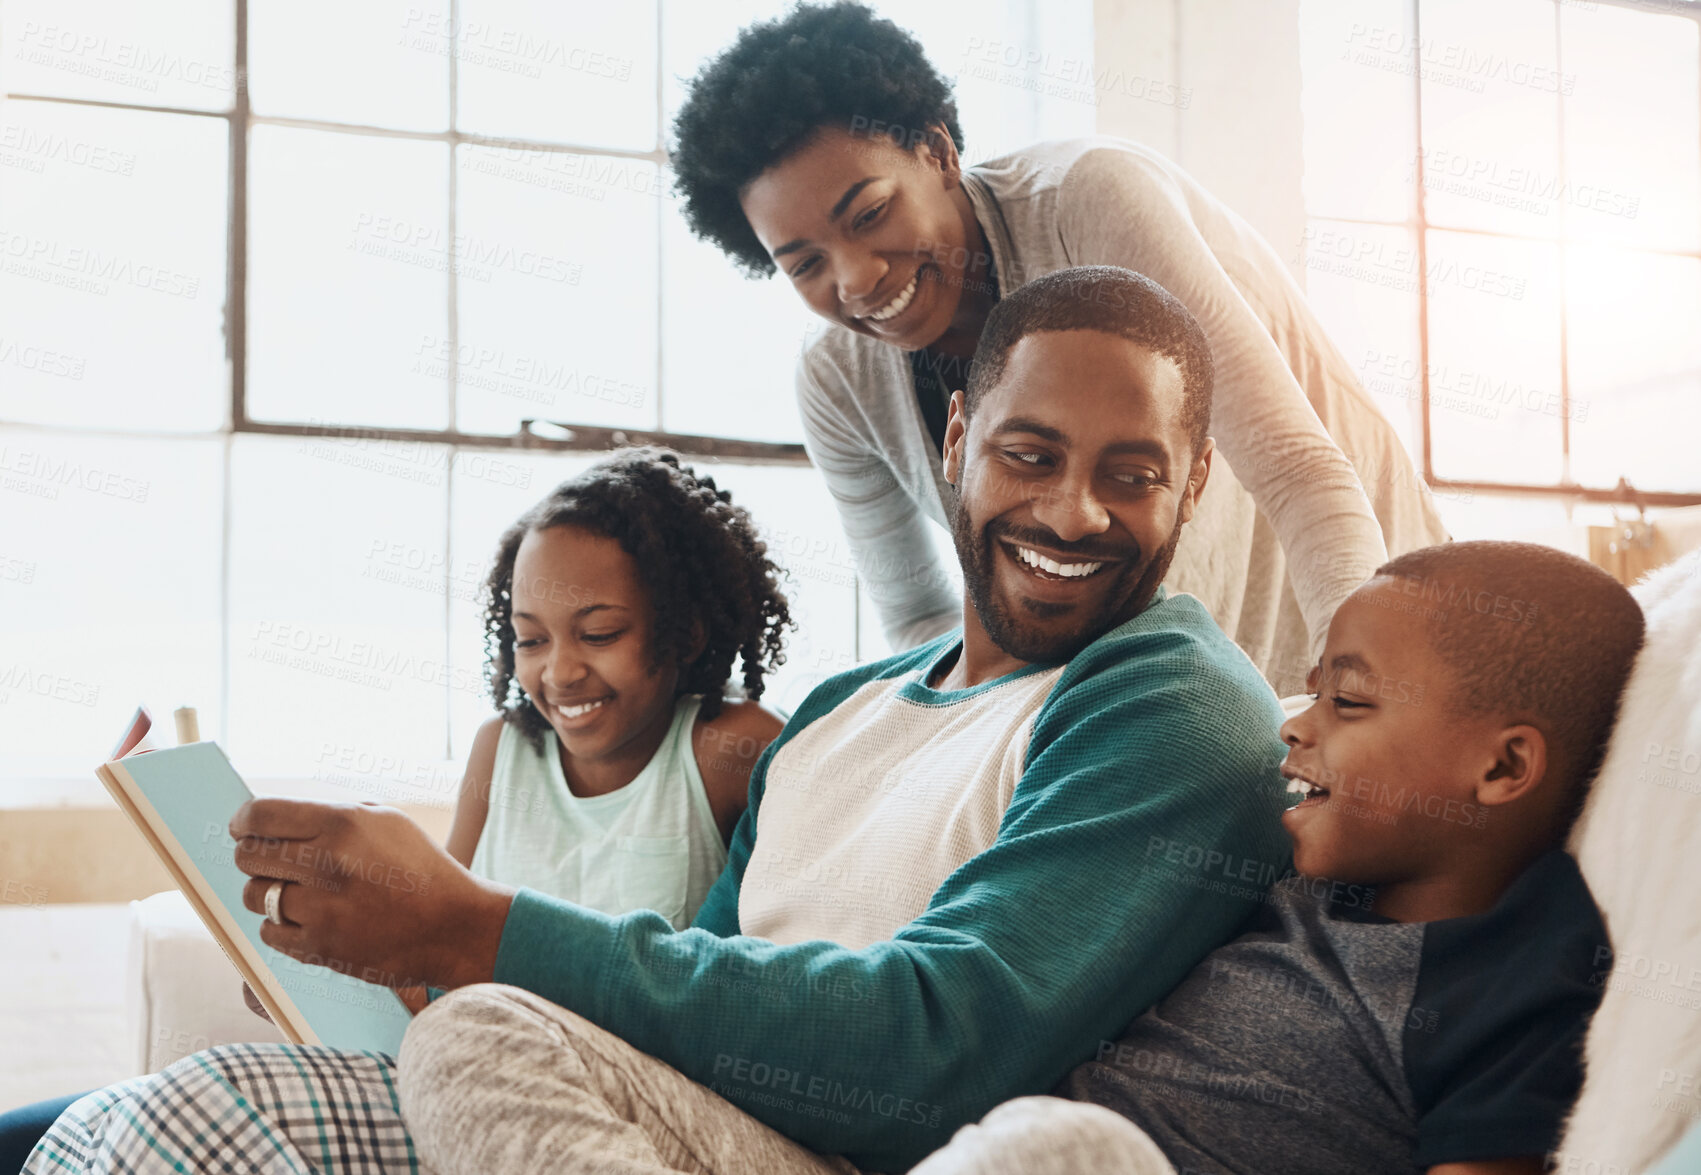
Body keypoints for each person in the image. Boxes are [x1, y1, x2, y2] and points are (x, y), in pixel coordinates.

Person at [26, 267, 1293, 1175]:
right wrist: (388, 947)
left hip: (865, 1146)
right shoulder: (846, 711)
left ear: (1192, 479)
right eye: (1030, 453)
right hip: (667, 1123)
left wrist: (479, 929)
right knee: (144, 1124)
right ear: (958, 437)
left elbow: (940, 1044)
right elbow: (682, 974)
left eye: (1129, 475)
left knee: (468, 1040)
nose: (1073, 513)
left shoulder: (1167, 694)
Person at [670, 1, 1448, 690]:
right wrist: (1014, 730)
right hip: (1164, 705)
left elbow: (1299, 473)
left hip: (1367, 620)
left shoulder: (1090, 204)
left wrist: (1349, 701)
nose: (858, 278)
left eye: (869, 213)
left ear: (938, 152)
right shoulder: (837, 382)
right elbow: (919, 618)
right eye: (804, 262)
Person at [903, 541, 1644, 1175]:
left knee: (1060, 1145)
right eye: (1312, 693)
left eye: (1347, 701)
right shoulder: (1297, 876)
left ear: (1501, 767)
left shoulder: (1520, 974)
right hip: (1016, 1136)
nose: (1293, 725)